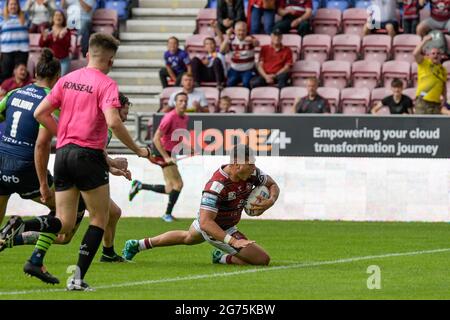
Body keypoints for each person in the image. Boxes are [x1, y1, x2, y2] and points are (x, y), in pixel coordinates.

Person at [0, 33, 151, 291]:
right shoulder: (107, 85)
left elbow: (40, 113)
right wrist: (138, 148)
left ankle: (23, 224)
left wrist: (64, 134)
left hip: (63, 156)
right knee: (99, 219)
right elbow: (114, 121)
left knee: (65, 222)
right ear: (110, 60)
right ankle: (77, 279)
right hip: (87, 156)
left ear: (88, 53)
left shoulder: (67, 79)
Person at [0, 91, 133, 285]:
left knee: (112, 213)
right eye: (124, 113)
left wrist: (111, 166)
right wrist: (113, 164)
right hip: (79, 178)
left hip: (65, 165)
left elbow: (94, 153)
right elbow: (90, 155)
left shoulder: (92, 119)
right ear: (115, 109)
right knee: (65, 233)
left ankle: (108, 253)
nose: (126, 118)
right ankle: (19, 241)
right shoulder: (105, 127)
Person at [0, 49, 85, 285]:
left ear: (34, 73)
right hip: (24, 166)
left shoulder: (14, 93)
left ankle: (27, 252)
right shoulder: (51, 101)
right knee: (67, 210)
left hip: (2, 162)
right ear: (58, 75)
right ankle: (35, 258)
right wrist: (43, 184)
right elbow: (41, 146)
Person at [123, 144, 280, 266]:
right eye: (250, 164)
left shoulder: (251, 173)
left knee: (188, 237)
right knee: (262, 260)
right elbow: (206, 223)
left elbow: (273, 185)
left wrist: (271, 201)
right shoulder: (217, 185)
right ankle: (223, 258)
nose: (254, 168)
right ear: (236, 164)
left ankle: (138, 245)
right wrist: (233, 241)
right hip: (215, 228)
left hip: (220, 221)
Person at [129, 92, 190, 223]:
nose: (183, 103)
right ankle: (167, 214)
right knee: (178, 184)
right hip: (161, 151)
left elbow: (177, 136)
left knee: (170, 188)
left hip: (170, 153)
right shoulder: (169, 117)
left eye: (185, 101)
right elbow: (156, 138)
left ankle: (140, 186)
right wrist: (166, 157)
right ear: (175, 102)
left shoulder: (185, 118)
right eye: (180, 101)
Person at [413, 34, 447, 114]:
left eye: (438, 53)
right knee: (421, 125)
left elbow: (443, 85)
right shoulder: (424, 63)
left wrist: (444, 98)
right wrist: (424, 40)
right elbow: (415, 54)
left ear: (441, 56)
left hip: (436, 103)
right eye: (433, 53)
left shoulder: (443, 69)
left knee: (435, 126)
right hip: (423, 101)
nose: (436, 55)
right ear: (428, 55)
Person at [220, 21, 258, 89]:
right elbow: (221, 50)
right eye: (239, 30)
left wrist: (252, 40)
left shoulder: (250, 38)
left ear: (247, 31)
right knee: (230, 83)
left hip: (248, 69)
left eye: (243, 30)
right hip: (234, 69)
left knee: (246, 83)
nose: (241, 33)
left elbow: (257, 43)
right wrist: (227, 36)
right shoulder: (231, 40)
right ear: (234, 31)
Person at [0, 0, 30, 84]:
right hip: (7, 51)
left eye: (15, 4)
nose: (13, 6)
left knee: (21, 76)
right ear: (7, 6)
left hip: (22, 50)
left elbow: (30, 26)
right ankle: (5, 95)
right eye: (11, 4)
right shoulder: (2, 18)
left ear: (18, 6)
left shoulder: (25, 16)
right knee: (6, 75)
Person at [39, 10, 72, 76]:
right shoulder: (48, 30)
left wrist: (61, 38)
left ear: (63, 18)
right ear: (53, 18)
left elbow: (67, 46)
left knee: (60, 79)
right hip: (50, 61)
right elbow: (41, 45)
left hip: (63, 61)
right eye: (56, 15)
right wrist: (44, 39)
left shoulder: (66, 31)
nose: (58, 17)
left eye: (60, 15)